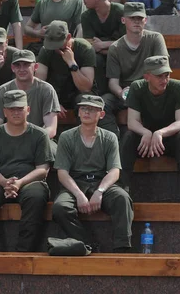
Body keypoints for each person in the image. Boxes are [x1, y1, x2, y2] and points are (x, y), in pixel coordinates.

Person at [52, 94, 133, 253]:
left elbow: (115, 171)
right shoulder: (67, 137)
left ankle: (122, 248)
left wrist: (100, 191)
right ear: (79, 112)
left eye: (92, 109)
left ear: (101, 114)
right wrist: (78, 194)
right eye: (83, 108)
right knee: (60, 207)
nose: (86, 112)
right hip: (75, 182)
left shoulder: (109, 137)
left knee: (122, 199)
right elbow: (62, 173)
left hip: (101, 181)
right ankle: (85, 244)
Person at [0, 90, 53, 252]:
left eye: (19, 108)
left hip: (31, 180)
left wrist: (20, 183)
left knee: (35, 196)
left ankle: (25, 250)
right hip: (0, 180)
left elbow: (43, 169)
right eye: (11, 109)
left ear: (28, 110)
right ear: (4, 112)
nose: (16, 112)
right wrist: (5, 182)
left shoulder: (39, 135)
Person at [120, 56, 180, 197]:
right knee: (128, 136)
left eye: (167, 75)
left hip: (170, 139)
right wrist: (146, 133)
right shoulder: (137, 87)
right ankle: (121, 190)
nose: (164, 80)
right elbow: (132, 121)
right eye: (159, 76)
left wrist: (160, 133)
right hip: (145, 141)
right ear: (147, 76)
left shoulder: (179, 87)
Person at [100, 2, 168, 137]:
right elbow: (113, 82)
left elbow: (162, 69)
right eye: (132, 18)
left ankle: (161, 137)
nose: (136, 21)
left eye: (140, 18)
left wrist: (145, 89)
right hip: (126, 93)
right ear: (123, 20)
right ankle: (112, 139)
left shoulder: (155, 38)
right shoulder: (115, 47)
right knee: (104, 103)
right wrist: (121, 93)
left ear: (146, 20)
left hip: (150, 89)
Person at [0, 49, 60, 155]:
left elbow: (51, 129)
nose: (21, 69)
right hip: (10, 139)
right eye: (17, 65)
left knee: (52, 151)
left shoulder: (46, 89)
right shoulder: (3, 90)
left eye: (26, 65)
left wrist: (28, 140)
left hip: (38, 139)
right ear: (12, 68)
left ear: (35, 67)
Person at [36, 20, 96, 111]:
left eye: (58, 44)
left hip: (77, 93)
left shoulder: (84, 49)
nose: (55, 48)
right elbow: (39, 84)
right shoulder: (46, 50)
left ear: (68, 37)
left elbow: (86, 88)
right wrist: (52, 101)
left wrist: (72, 63)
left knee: (85, 101)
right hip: (56, 93)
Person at [79, 0, 125, 95]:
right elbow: (91, 46)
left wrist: (103, 44)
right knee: (94, 58)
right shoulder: (86, 16)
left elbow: (127, 43)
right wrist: (113, 45)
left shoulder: (121, 11)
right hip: (103, 54)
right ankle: (98, 95)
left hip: (122, 54)